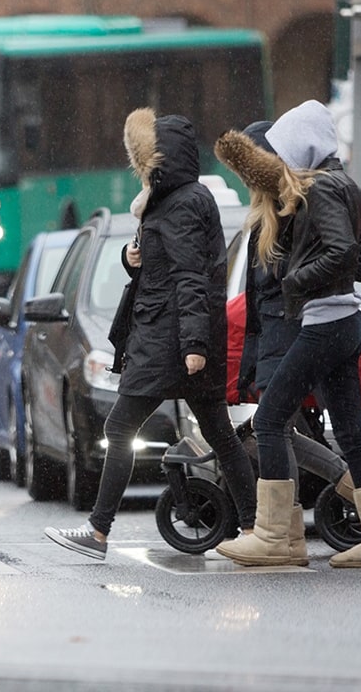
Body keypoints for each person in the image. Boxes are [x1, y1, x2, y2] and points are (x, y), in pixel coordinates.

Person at [45, 108, 256, 561]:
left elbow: (192, 277)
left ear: (160, 159)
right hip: (172, 335)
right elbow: (167, 270)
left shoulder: (181, 203)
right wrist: (130, 256)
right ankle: (257, 526)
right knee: (219, 432)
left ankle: (98, 532)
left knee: (121, 426)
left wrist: (195, 345)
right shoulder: (173, 199)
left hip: (170, 340)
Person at [215, 99, 361, 568]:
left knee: (270, 421)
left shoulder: (318, 190)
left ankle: (277, 537)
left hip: (323, 324)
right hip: (343, 322)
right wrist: (331, 281)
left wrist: (296, 281)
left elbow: (342, 253)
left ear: (300, 146)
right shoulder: (346, 185)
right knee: (352, 433)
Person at [230, 120, 354, 552]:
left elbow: (303, 272)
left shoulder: (293, 209)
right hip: (275, 334)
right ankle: (304, 522)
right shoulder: (265, 215)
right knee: (280, 429)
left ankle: (285, 531)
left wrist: (289, 288)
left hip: (291, 331)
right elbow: (255, 295)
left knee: (275, 428)